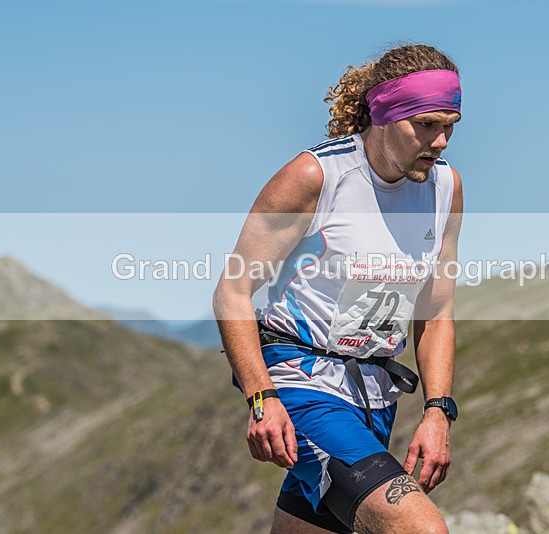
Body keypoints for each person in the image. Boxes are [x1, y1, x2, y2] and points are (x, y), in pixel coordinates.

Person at [213, 43, 463, 534]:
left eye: (450, 125)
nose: (441, 142)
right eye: (427, 125)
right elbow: (233, 290)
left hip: (374, 396)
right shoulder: (317, 176)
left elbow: (437, 309)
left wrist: (438, 411)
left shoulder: (446, 189)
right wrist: (261, 397)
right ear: (385, 114)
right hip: (302, 384)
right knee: (420, 529)